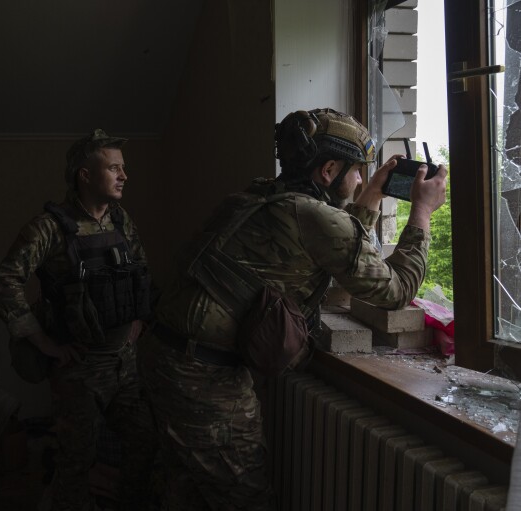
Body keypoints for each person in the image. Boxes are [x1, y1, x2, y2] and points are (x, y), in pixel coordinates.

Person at [137, 108, 448, 510]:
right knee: (245, 498)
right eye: (355, 172)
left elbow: (331, 245)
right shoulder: (315, 217)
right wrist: (421, 212)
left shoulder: (256, 198)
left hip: (160, 356)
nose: (357, 181)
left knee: (183, 486)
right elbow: (397, 290)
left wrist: (370, 193)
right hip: (202, 380)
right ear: (328, 170)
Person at [0, 129, 156, 510]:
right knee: (76, 460)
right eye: (114, 168)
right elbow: (5, 282)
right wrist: (43, 342)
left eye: (123, 168)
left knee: (144, 441)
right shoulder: (49, 228)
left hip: (124, 365)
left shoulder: (120, 220)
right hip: (80, 370)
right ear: (84, 174)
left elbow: (142, 270)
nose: (124, 175)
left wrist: (138, 321)